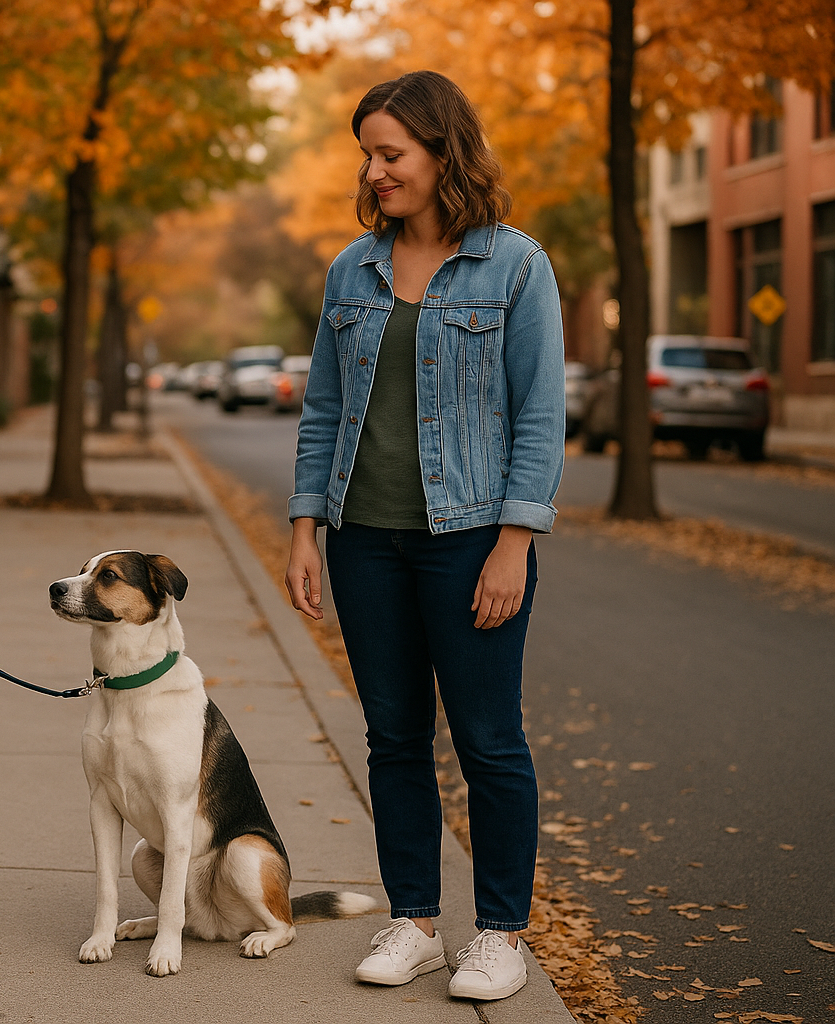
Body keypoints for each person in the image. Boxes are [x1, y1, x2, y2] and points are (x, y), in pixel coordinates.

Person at [285, 70, 564, 1003]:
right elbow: (323, 411)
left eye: (390, 153)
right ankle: (413, 919)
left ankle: (498, 935)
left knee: (488, 741)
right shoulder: (350, 271)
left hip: (471, 539)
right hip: (365, 539)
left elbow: (540, 418)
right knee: (394, 738)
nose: (374, 171)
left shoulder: (516, 266)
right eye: (367, 153)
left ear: (444, 152)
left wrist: (515, 544)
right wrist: (303, 530)